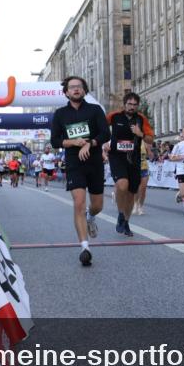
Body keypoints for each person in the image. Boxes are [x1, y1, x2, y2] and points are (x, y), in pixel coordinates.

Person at [50, 75, 110, 267]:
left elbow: (105, 133)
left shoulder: (94, 110)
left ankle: (91, 217)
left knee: (97, 204)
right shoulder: (60, 114)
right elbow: (55, 140)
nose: (76, 89)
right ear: (66, 92)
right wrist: (73, 142)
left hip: (94, 161)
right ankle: (85, 247)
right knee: (78, 203)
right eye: (72, 87)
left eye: (79, 86)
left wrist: (90, 143)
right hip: (74, 162)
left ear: (84, 90)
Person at [105, 91, 152, 234]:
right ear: (124, 104)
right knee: (122, 185)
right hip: (117, 156)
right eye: (129, 104)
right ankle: (120, 214)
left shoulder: (141, 119)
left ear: (137, 106)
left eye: (135, 105)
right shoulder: (114, 116)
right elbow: (99, 128)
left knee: (132, 191)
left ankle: (126, 222)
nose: (132, 107)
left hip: (134, 158)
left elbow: (150, 139)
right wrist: (103, 144)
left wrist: (141, 134)